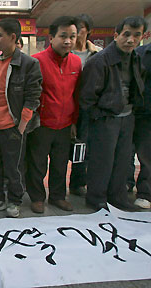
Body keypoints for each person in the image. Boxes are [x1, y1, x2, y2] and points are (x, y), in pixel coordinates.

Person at [0, 18, 42, 218]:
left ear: (13, 37)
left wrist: (21, 125)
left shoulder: (29, 64)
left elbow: (33, 96)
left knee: (14, 167)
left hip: (13, 126)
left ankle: (14, 200)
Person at [81, 16, 147, 211]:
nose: (131, 40)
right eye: (126, 35)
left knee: (123, 160)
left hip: (127, 116)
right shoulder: (100, 60)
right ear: (116, 35)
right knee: (102, 160)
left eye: (137, 35)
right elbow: (87, 96)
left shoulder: (135, 57)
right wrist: (97, 116)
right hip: (104, 118)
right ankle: (96, 198)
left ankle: (117, 196)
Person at [26, 16, 82, 214]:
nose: (68, 41)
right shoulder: (37, 61)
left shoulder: (76, 63)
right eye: (63, 36)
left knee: (60, 164)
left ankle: (58, 196)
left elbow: (77, 95)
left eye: (72, 36)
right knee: (37, 164)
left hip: (66, 124)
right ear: (51, 37)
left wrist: (74, 122)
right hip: (42, 124)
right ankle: (37, 197)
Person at [69, 14, 102, 197]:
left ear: (89, 31)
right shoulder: (65, 52)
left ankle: (78, 182)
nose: (76, 32)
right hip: (68, 106)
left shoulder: (97, 53)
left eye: (80, 28)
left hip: (90, 108)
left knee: (84, 146)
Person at [134, 41, 151, 209]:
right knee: (130, 152)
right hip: (139, 110)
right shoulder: (140, 53)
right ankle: (125, 183)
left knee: (148, 155)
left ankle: (146, 192)